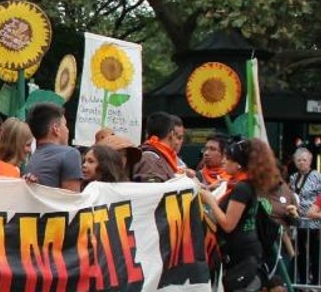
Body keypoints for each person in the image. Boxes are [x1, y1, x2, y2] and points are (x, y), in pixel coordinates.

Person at [199, 139, 285, 292]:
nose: (224, 161)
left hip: (243, 258)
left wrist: (209, 200)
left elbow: (228, 224)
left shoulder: (242, 188)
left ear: (238, 164)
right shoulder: (241, 185)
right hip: (241, 255)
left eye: (228, 158)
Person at [24, 102, 82, 191]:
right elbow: (71, 200)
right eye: (65, 125)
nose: (67, 130)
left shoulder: (31, 161)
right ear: (56, 129)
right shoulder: (70, 154)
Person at [291, 147, 321, 285]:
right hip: (298, 222)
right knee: (300, 254)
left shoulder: (317, 176)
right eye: (299, 160)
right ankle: (302, 282)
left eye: (305, 160)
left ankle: (315, 282)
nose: (302, 162)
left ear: (310, 161)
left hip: (314, 223)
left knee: (315, 253)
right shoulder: (293, 177)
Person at [132, 111, 186, 182]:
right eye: (177, 137)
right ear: (171, 134)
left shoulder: (159, 156)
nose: (177, 142)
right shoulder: (150, 159)